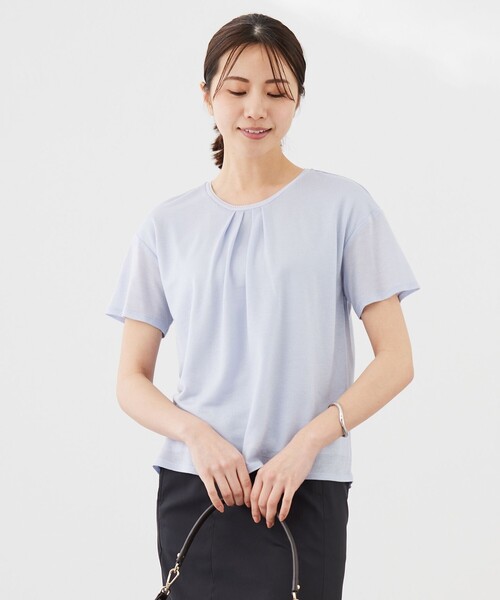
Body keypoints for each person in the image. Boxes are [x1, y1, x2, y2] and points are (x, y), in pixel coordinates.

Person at [105, 12, 420, 600]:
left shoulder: (344, 207)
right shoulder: (166, 225)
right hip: (198, 484)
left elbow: (397, 360)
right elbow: (130, 380)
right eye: (237, 90)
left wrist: (307, 444)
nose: (256, 109)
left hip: (303, 484)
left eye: (277, 92)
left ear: (298, 99)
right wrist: (196, 436)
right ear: (207, 96)